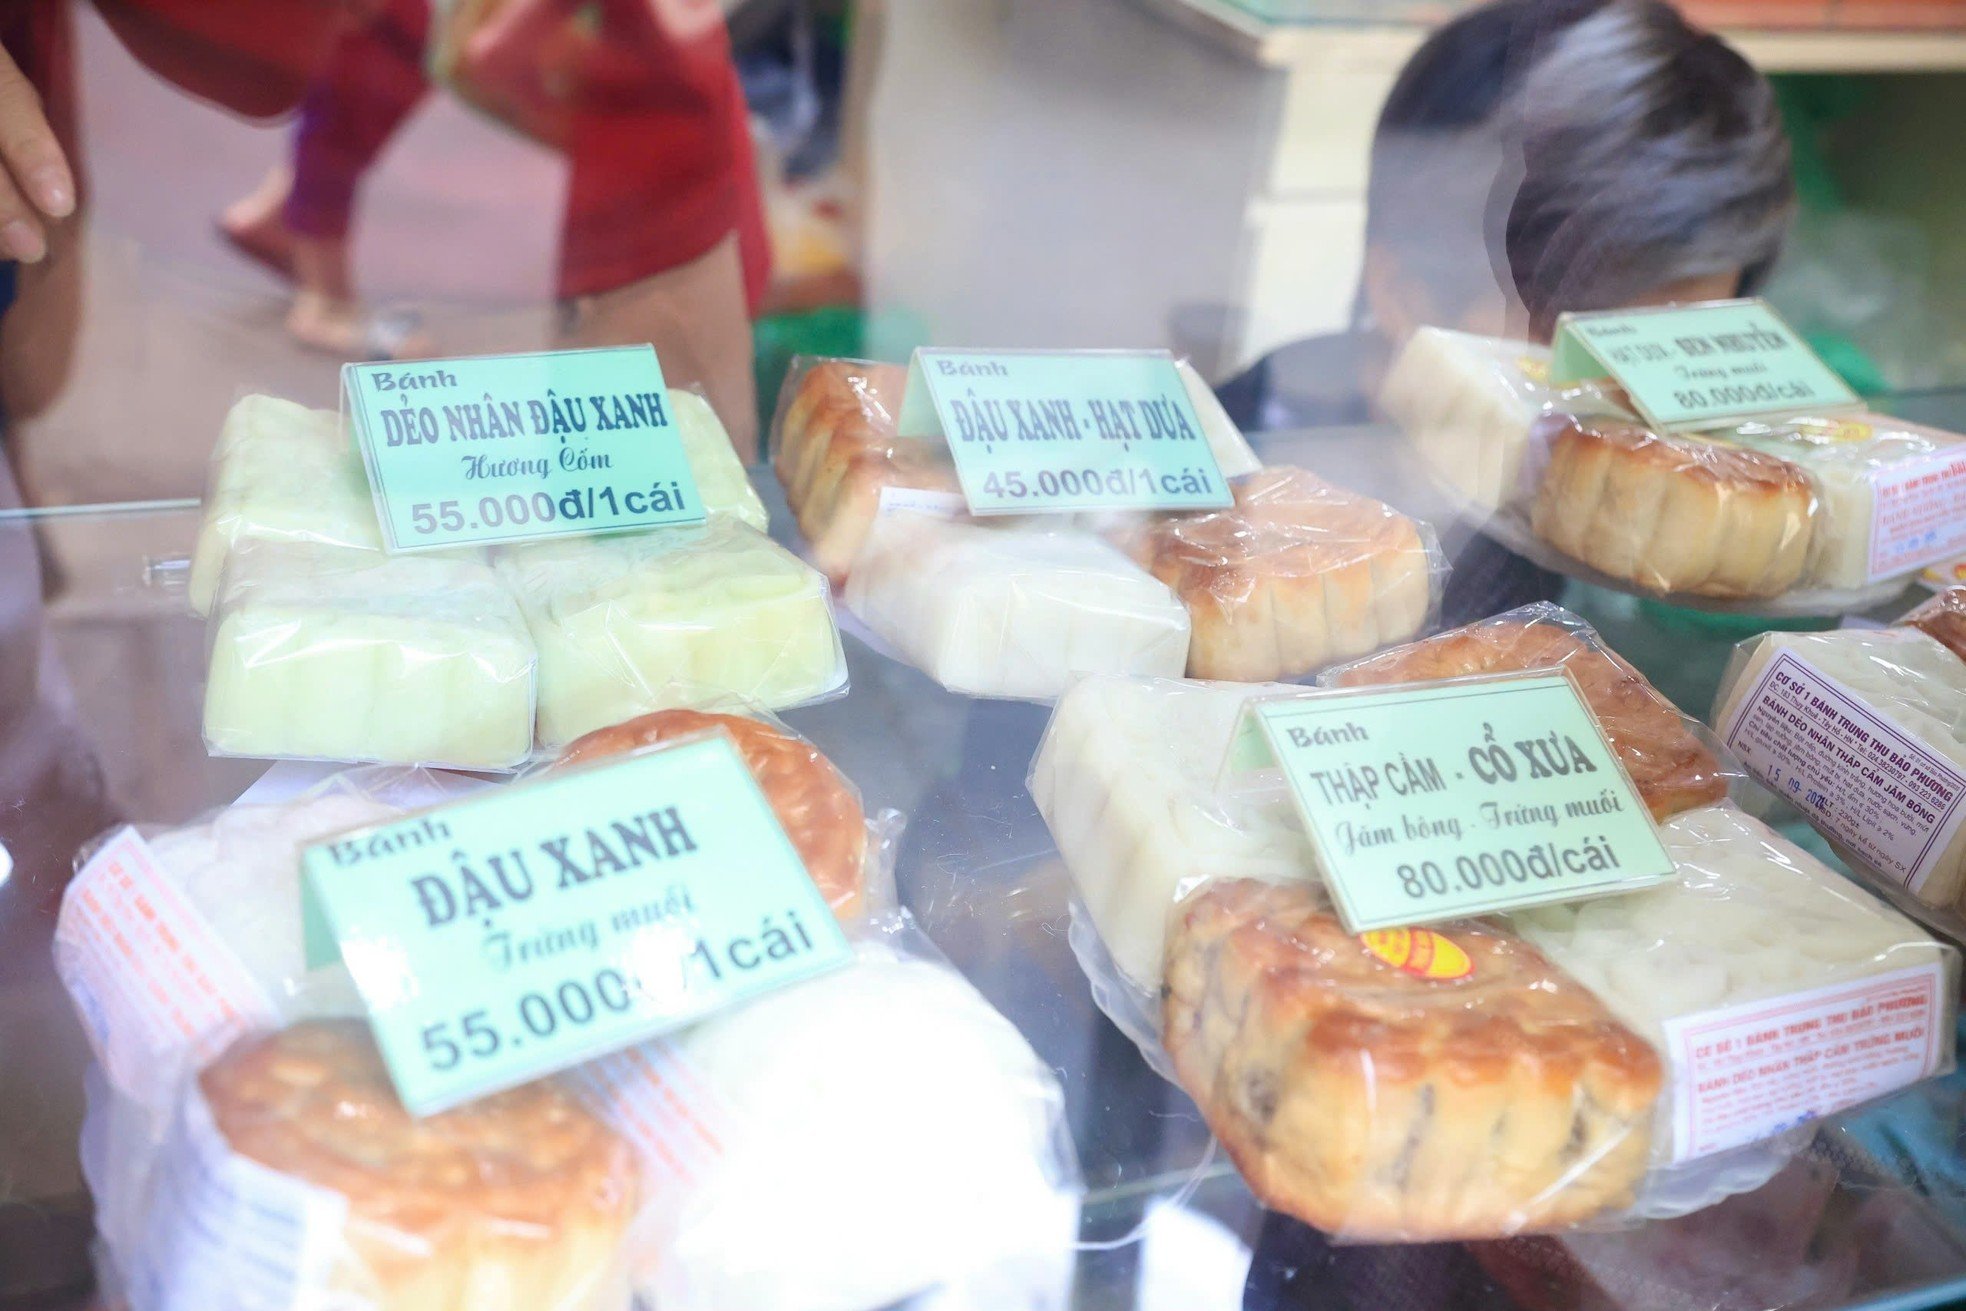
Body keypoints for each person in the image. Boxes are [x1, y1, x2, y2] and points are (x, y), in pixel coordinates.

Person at [1216, 0, 1795, 628]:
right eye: (1589, 355)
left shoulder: (1601, 529)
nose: (1644, 424)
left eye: (1690, 352)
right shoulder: (1226, 513)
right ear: (1402, 295)